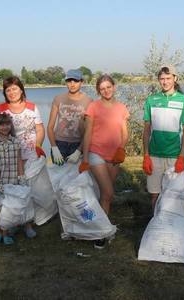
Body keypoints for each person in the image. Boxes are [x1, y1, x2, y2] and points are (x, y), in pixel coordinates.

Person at [0, 75, 45, 239]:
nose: (12, 92)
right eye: (8, 90)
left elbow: (40, 129)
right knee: (6, 195)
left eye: (15, 88)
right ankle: (8, 224)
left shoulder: (32, 107)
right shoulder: (0, 109)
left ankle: (27, 224)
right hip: (7, 161)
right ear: (4, 93)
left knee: (26, 192)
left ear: (21, 89)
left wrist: (38, 147)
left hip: (29, 156)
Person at [78, 74, 129, 249]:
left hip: (114, 155)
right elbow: (88, 133)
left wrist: (121, 149)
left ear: (114, 87)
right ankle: (100, 232)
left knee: (104, 195)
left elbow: (124, 132)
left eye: (109, 87)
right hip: (96, 152)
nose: (106, 90)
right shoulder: (93, 107)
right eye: (102, 88)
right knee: (108, 192)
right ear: (98, 91)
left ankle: (101, 226)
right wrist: (85, 158)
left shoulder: (121, 108)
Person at [142, 65, 184, 209]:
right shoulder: (151, 100)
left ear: (175, 79)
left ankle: (173, 226)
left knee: (175, 195)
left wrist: (182, 156)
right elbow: (146, 130)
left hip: (174, 156)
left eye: (168, 78)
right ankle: (155, 224)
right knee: (154, 194)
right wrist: (145, 155)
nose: (165, 82)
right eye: (162, 79)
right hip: (154, 155)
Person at [0, 113, 25, 245]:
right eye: (1, 124)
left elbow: (19, 161)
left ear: (11, 125)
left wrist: (21, 177)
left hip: (13, 180)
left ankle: (6, 232)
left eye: (7, 124)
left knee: (9, 208)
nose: (4, 127)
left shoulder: (16, 142)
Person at [47, 69, 92, 165]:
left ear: (82, 82)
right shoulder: (58, 99)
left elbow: (89, 130)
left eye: (76, 81)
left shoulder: (89, 101)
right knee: (58, 177)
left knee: (77, 178)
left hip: (78, 145)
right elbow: (50, 127)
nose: (72, 84)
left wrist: (79, 150)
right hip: (59, 144)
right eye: (69, 80)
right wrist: (54, 147)